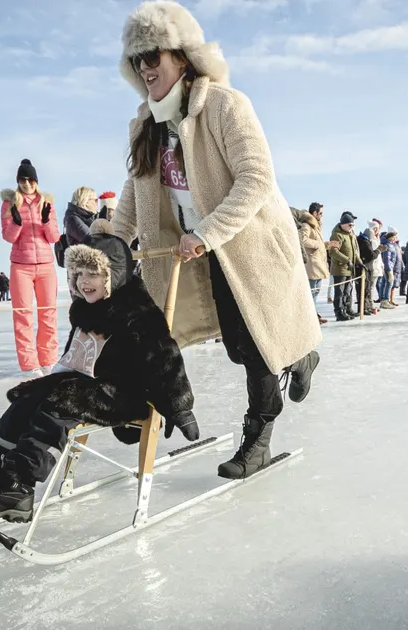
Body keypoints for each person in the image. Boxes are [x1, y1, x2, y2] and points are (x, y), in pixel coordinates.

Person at [110, 1, 321, 479]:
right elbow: (134, 190)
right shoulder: (147, 125)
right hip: (204, 256)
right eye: (137, 60)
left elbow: (256, 179)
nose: (145, 68)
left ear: (181, 57)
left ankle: (259, 436)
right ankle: (301, 351)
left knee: (257, 344)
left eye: (154, 56)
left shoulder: (226, 105)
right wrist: (111, 239)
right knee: (239, 345)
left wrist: (206, 232)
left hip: (251, 246)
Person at [0, 226, 199, 522]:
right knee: (26, 400)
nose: (84, 283)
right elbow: (76, 357)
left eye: (92, 274)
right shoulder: (85, 308)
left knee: (60, 402)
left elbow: (166, 359)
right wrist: (40, 386)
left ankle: (17, 487)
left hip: (124, 392)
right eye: (78, 274)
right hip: (88, 384)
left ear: (113, 274)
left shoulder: (138, 312)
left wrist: (181, 408)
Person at [1, 158, 61, 377]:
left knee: (48, 314)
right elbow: (8, 237)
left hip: (46, 266)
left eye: (30, 179)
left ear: (36, 181)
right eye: (22, 180)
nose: (27, 184)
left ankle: (48, 360)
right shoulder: (10, 203)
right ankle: (29, 364)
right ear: (18, 181)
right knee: (23, 315)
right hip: (21, 266)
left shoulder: (46, 202)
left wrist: (46, 219)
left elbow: (54, 237)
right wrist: (16, 222)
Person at [295, 202, 331, 324]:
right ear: (314, 213)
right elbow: (302, 240)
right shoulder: (307, 225)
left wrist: (326, 245)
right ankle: (309, 320)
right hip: (312, 265)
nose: (322, 216)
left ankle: (313, 316)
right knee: (311, 294)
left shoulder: (315, 226)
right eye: (320, 213)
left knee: (315, 293)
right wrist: (319, 244)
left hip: (317, 264)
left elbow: (317, 244)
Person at [329, 212, 361, 320]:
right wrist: (347, 260)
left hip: (349, 268)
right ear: (343, 224)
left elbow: (354, 252)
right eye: (350, 225)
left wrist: (359, 262)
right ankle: (339, 312)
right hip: (340, 268)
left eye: (353, 225)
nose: (352, 227)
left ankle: (348, 308)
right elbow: (333, 251)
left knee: (348, 290)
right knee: (340, 291)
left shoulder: (350, 234)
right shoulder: (337, 235)